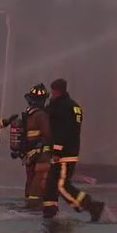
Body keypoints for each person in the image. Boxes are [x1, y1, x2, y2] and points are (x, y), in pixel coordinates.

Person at [42, 78, 104, 222]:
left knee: (61, 185)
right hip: (70, 150)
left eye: (52, 92)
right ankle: (49, 211)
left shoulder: (62, 107)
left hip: (64, 154)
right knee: (51, 184)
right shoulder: (74, 106)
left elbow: (62, 130)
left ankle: (91, 205)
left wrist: (56, 150)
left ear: (56, 91)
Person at [17, 83, 53, 209]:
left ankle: (28, 204)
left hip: (29, 154)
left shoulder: (28, 113)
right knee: (39, 181)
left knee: (30, 180)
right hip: (40, 154)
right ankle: (34, 207)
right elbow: (48, 134)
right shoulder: (41, 115)